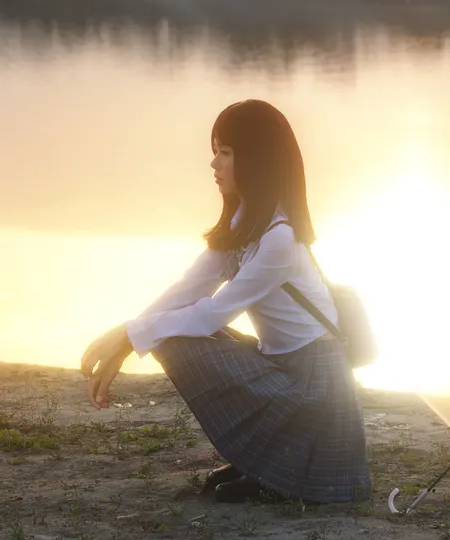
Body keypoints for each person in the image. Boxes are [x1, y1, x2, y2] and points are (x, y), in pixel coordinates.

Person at [79, 99, 371, 504]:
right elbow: (189, 288)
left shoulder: (280, 238)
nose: (214, 163)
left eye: (226, 152)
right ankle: (264, 460)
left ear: (256, 159)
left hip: (314, 387)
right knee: (174, 328)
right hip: (284, 369)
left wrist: (130, 335)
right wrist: (125, 340)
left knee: (182, 334)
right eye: (215, 151)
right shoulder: (245, 222)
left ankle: (279, 472)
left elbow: (212, 314)